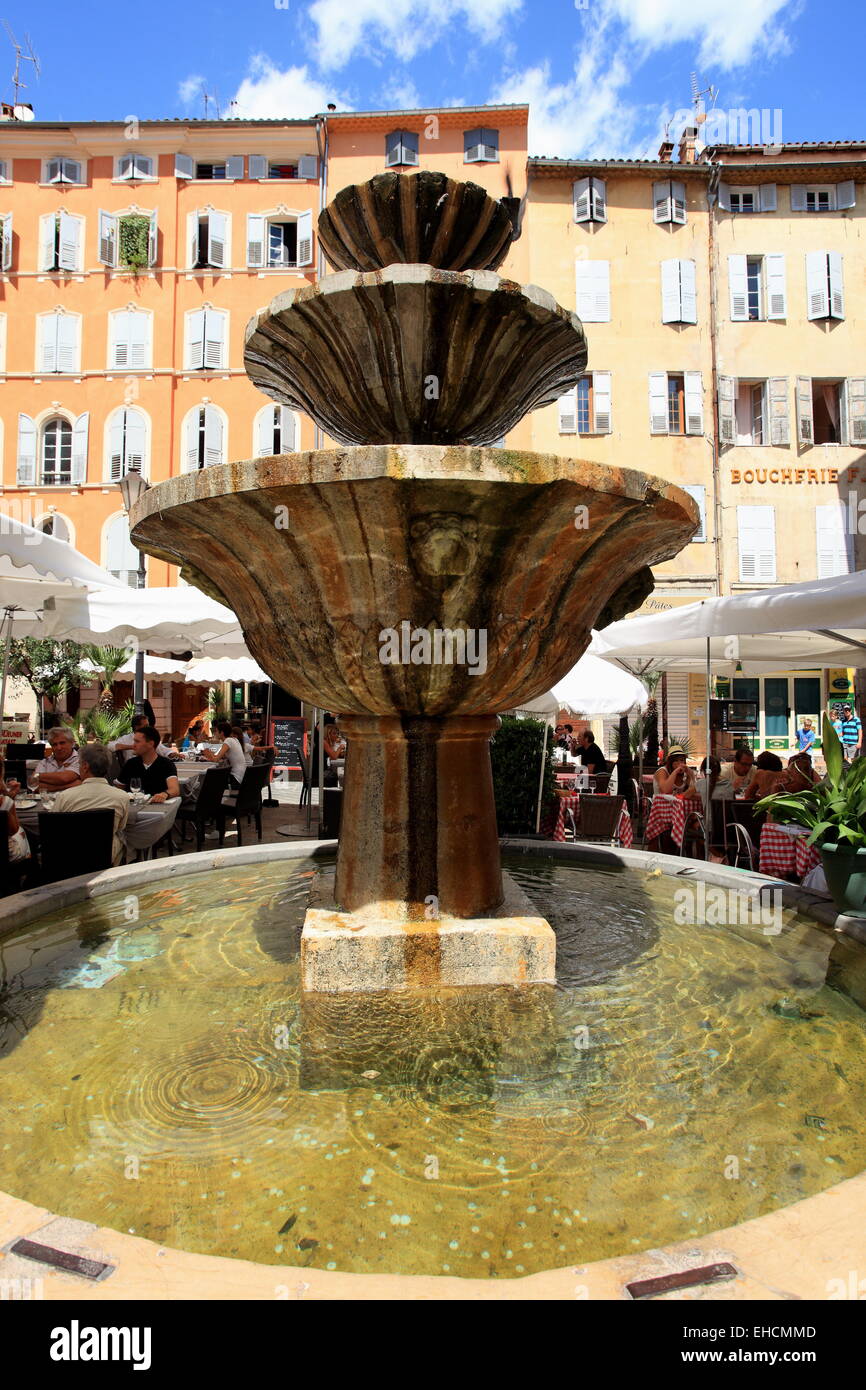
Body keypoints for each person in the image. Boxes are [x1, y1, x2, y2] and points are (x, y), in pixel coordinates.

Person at [52, 743, 130, 867]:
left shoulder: (65, 796)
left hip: (70, 857)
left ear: (85, 767)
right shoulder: (122, 797)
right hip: (106, 856)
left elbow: (54, 829)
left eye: (78, 764)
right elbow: (121, 827)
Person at [116, 727, 180, 802]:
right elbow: (119, 788)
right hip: (132, 809)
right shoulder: (130, 764)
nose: (133, 745)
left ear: (150, 744)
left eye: (137, 741)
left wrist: (165, 794)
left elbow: (175, 789)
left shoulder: (166, 764)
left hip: (157, 809)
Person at [200, 719, 248, 788]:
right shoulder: (234, 739)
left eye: (216, 731)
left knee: (210, 781)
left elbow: (216, 759)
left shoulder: (228, 741)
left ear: (221, 733)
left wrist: (206, 749)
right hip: (242, 775)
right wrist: (209, 753)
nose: (215, 733)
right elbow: (220, 757)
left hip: (236, 778)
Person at [0, 757, 31, 863]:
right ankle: (26, 871)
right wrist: (8, 798)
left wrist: (9, 795)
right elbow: (13, 830)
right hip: (7, 857)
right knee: (22, 831)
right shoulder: (5, 802)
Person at [34, 727, 81, 792]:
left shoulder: (80, 760)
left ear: (72, 743)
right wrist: (67, 785)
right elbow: (35, 787)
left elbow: (64, 778)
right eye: (54, 744)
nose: (59, 748)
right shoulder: (45, 762)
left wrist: (38, 775)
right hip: (47, 801)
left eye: (62, 743)